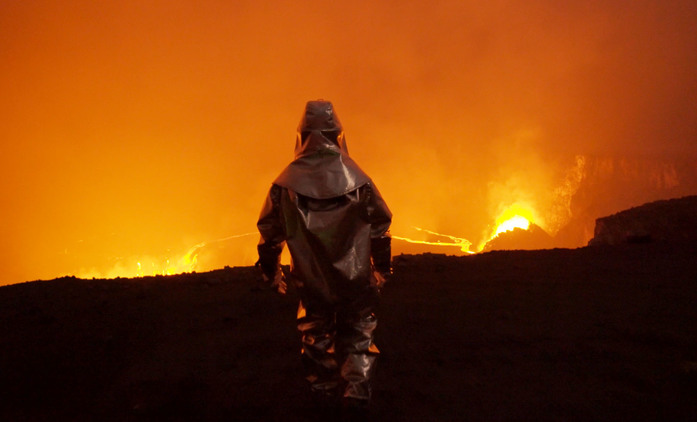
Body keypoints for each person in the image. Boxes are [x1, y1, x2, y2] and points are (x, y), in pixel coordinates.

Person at [256, 100, 392, 414]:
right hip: (355, 277)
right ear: (338, 135)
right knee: (359, 328)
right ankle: (356, 393)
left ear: (302, 136)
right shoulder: (359, 180)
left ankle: (322, 394)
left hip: (310, 278)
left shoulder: (284, 185)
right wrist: (381, 269)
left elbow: (269, 233)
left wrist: (271, 273)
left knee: (316, 331)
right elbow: (380, 225)